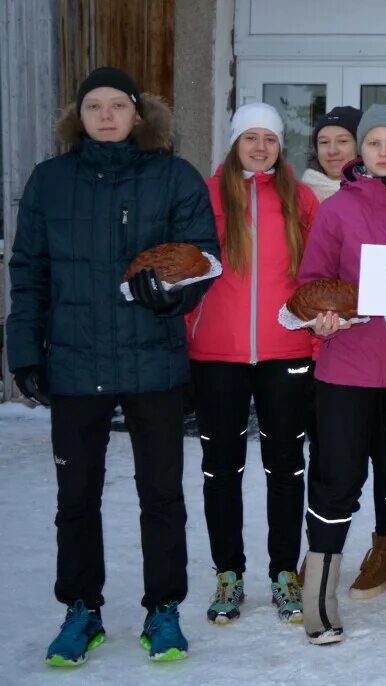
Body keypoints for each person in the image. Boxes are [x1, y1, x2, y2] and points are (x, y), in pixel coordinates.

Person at [9, 67, 218, 665]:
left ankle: (164, 609)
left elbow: (204, 256)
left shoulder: (173, 176)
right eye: (93, 106)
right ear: (79, 117)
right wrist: (24, 350)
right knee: (75, 496)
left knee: (161, 495)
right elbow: (28, 270)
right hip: (74, 363)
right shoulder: (50, 182)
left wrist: (174, 294)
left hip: (152, 361)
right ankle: (81, 609)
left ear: (138, 114)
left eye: (117, 105)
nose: (105, 116)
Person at [297, 104, 386, 645]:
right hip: (345, 368)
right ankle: (318, 600)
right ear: (359, 150)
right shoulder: (337, 209)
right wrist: (321, 318)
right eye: (372, 143)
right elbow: (311, 282)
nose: (381, 152)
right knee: (335, 480)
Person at [190, 103, 319, 626]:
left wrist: (315, 330)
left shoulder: (300, 196)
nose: (261, 147)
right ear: (234, 142)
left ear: (281, 145)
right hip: (216, 351)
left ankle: (284, 571)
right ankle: (229, 572)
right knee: (221, 467)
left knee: (285, 467)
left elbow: (318, 268)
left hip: (284, 350)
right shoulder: (206, 193)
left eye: (270, 138)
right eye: (251, 138)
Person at [300, 106, 361, 201]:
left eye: (343, 141)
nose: (332, 151)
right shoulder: (297, 197)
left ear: (361, 147)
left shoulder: (385, 192)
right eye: (324, 142)